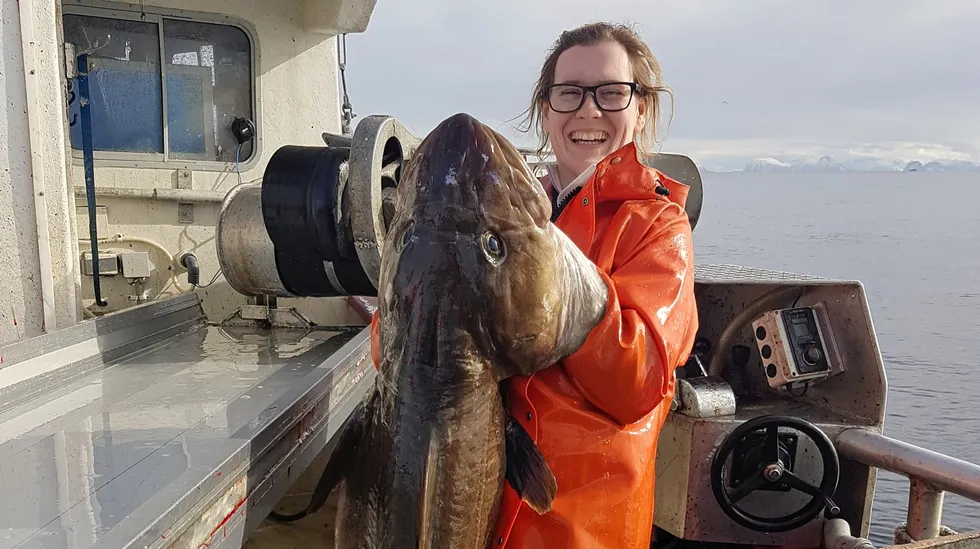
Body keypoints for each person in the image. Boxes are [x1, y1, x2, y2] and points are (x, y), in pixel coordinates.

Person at [350, 21, 699, 549]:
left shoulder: (656, 226)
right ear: (546, 108)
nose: (588, 110)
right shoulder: (502, 205)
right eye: (569, 93)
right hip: (474, 507)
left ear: (640, 108)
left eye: (611, 93)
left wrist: (541, 263)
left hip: (576, 532)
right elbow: (392, 349)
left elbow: (639, 381)